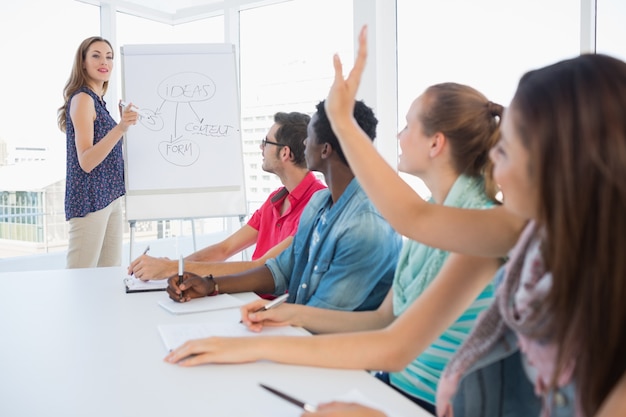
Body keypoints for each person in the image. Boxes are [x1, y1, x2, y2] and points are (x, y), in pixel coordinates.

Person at [167, 26, 626, 417]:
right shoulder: (515, 231)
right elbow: (399, 314)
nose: (496, 164)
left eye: (507, 149)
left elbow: (409, 231)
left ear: (561, 164)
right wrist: (249, 346)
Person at [193, 81, 503, 416]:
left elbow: (393, 346)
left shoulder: (475, 231)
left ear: (435, 143)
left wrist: (252, 348)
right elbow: (384, 319)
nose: (398, 136)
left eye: (407, 125)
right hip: (393, 387)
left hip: (428, 403)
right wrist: (289, 313)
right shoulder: (435, 216)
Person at [166, 99, 401, 311]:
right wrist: (211, 285)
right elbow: (280, 269)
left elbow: (323, 315)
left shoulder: (365, 226)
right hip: (298, 327)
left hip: (326, 345)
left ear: (325, 149)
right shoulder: (321, 204)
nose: (304, 143)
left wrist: (269, 316)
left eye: (309, 136)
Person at [127, 111, 326, 280]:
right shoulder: (276, 199)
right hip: (251, 296)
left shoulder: (318, 205)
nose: (261, 147)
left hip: (271, 308)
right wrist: (174, 267)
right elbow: (225, 248)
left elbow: (264, 267)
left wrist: (174, 269)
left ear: (285, 153)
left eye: (266, 142)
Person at [57, 36, 138, 269]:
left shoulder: (98, 102)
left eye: (109, 57)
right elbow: (86, 161)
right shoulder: (83, 99)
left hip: (110, 198)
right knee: (80, 278)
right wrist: (121, 127)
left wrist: (121, 124)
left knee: (108, 275)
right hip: (90, 200)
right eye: (96, 55)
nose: (104, 61)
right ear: (82, 62)